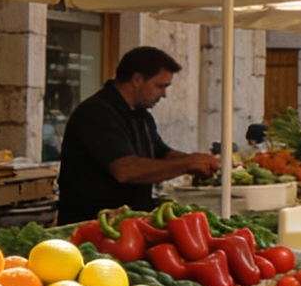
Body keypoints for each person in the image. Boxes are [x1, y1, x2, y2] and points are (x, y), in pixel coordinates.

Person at [56, 47, 219, 225]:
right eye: (160, 86)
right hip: (92, 224)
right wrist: (187, 164)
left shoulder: (142, 115)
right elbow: (126, 170)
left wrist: (199, 160)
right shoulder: (97, 112)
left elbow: (162, 152)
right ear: (137, 79)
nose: (164, 94)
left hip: (130, 222)